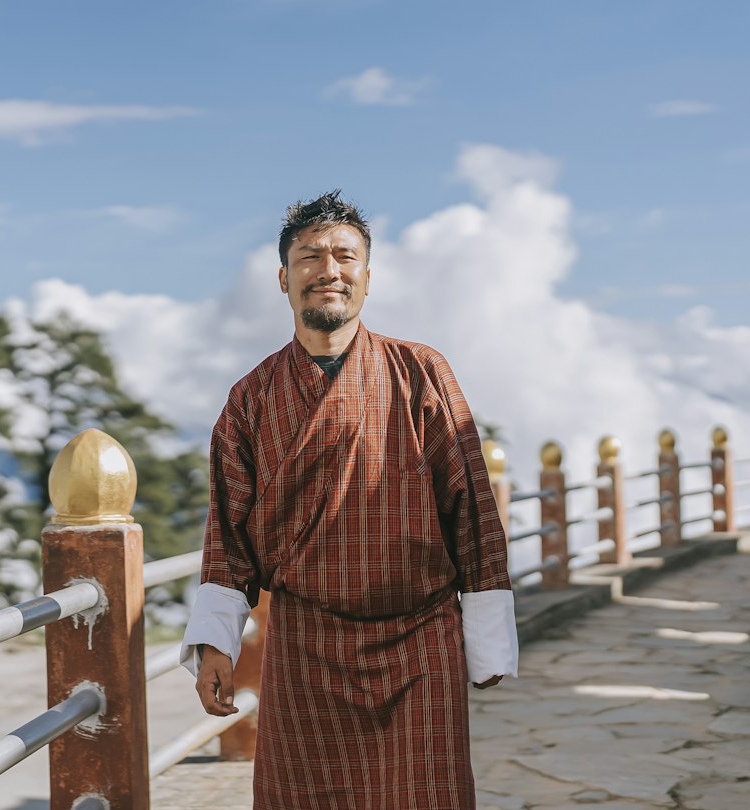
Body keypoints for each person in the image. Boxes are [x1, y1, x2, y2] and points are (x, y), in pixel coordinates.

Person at [179, 190, 518, 809]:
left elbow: (470, 506)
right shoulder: (251, 398)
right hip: (305, 643)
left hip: (420, 638)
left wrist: (486, 631)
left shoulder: (421, 372)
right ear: (284, 278)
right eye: (309, 257)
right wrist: (214, 644)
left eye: (344, 256)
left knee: (426, 796)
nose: (327, 270)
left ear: (367, 276)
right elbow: (227, 532)